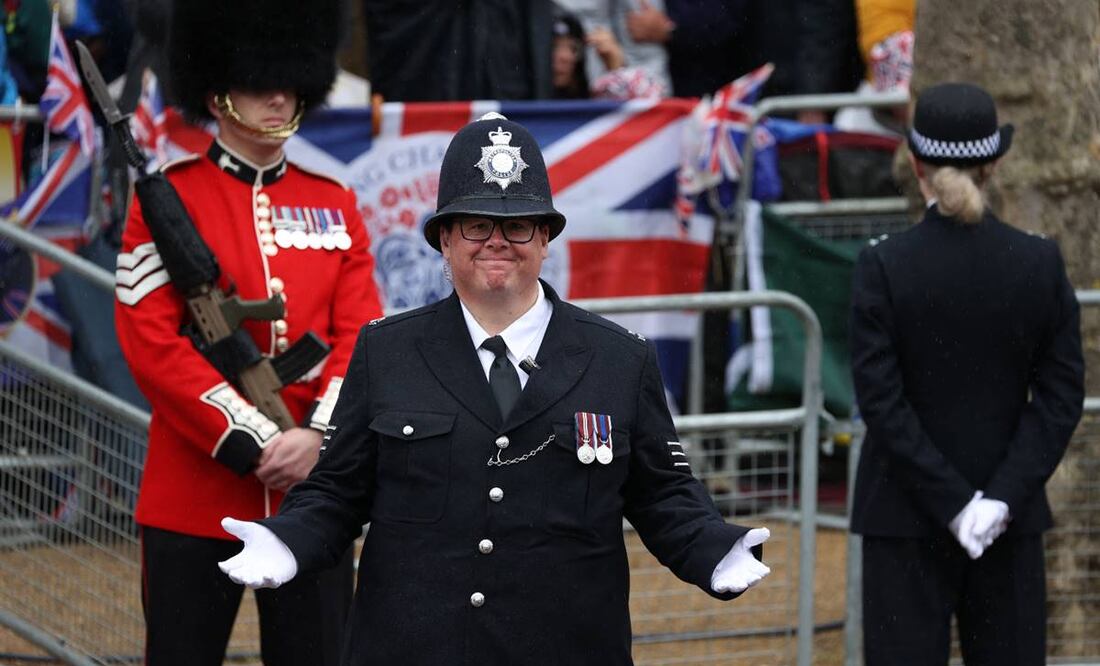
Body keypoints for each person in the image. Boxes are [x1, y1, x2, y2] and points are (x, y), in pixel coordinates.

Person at [218, 113, 771, 665]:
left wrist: (713, 550)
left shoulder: (620, 358)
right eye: (476, 226)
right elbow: (338, 491)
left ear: (547, 238)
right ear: (443, 240)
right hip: (414, 649)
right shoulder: (385, 351)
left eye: (518, 225)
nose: (497, 242)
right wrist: (287, 539)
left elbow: (663, 493)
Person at [113, 1, 384, 664]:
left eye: (288, 82)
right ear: (219, 91)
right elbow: (153, 346)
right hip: (195, 492)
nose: (278, 95)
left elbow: (362, 335)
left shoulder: (334, 202)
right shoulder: (169, 200)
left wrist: (317, 439)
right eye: (260, 81)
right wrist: (258, 440)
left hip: (312, 495)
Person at [849, 82, 1084, 665]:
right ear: (994, 164)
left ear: (918, 162)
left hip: (903, 513)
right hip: (1010, 516)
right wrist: (996, 500)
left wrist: (954, 502)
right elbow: (1060, 396)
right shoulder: (1039, 261)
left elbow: (881, 403)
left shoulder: (883, 264)